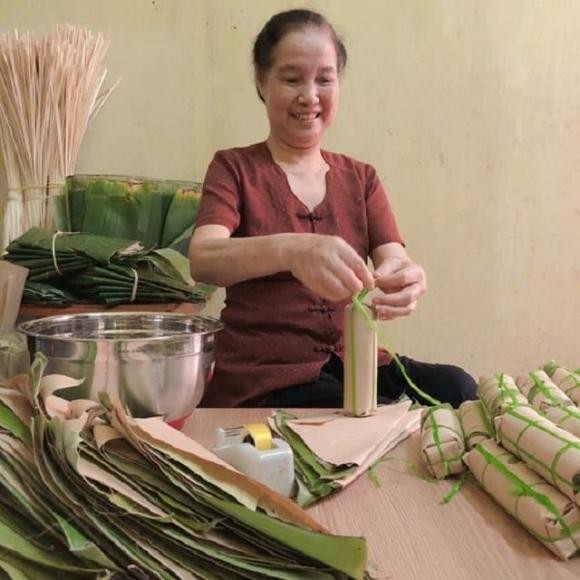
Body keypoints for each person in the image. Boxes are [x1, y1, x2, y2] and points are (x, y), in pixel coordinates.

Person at [190, 8, 477, 409]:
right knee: (349, 410)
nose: (310, 96)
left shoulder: (361, 178)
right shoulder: (234, 168)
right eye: (292, 79)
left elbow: (395, 259)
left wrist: (407, 279)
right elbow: (204, 258)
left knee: (458, 388)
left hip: (354, 363)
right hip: (266, 375)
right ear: (262, 80)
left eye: (324, 79)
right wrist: (294, 249)